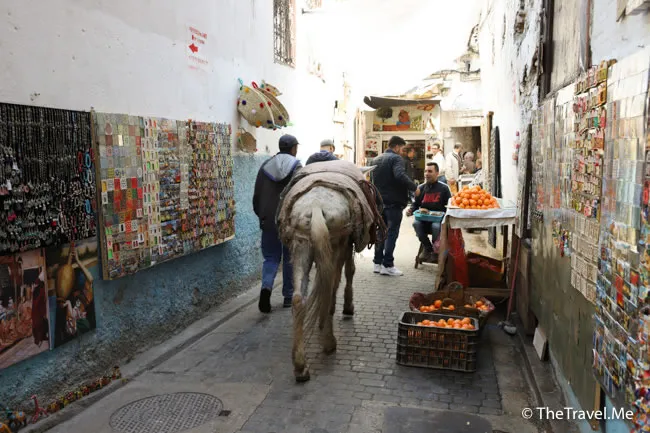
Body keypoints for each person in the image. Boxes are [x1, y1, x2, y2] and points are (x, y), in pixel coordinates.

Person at [253, 134, 302, 313]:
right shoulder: (297, 167)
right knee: (290, 258)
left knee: (271, 257)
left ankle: (266, 288)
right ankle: (288, 296)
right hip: (289, 220)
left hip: (268, 220)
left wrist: (262, 215)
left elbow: (257, 195)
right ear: (293, 148)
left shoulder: (265, 166)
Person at [369, 136, 417, 276]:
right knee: (391, 233)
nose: (402, 152)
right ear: (396, 147)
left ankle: (377, 263)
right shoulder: (396, 159)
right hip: (394, 202)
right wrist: (414, 187)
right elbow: (400, 175)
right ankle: (388, 265)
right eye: (402, 149)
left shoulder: (375, 159)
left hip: (379, 202)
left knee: (380, 232)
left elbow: (372, 181)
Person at [406, 162, 452, 263]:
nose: (427, 174)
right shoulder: (421, 188)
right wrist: (410, 210)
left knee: (435, 226)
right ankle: (428, 249)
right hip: (423, 220)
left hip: (438, 221)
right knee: (415, 223)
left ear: (437, 173)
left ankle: (436, 251)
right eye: (425, 171)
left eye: (430, 171)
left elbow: (449, 206)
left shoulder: (444, 188)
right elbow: (415, 204)